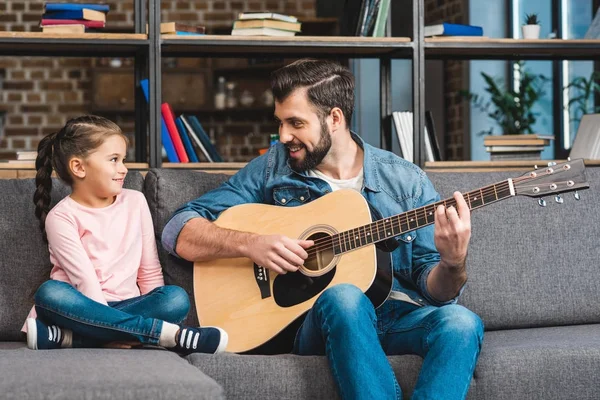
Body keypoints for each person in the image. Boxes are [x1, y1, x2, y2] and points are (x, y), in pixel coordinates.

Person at [161, 59, 483, 399]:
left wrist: (452, 262)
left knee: (462, 323)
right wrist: (250, 243)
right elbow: (177, 231)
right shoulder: (273, 169)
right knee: (344, 296)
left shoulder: (405, 181)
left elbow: (437, 293)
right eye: (281, 122)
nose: (284, 135)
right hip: (315, 322)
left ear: (334, 118)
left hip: (395, 317)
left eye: (295, 123)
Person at [24, 115, 227, 355]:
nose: (124, 169)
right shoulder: (61, 217)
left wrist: (104, 331)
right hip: (81, 306)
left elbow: (149, 271)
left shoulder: (135, 201)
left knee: (175, 298)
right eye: (113, 160)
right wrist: (106, 324)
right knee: (50, 293)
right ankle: (167, 336)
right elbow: (85, 282)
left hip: (128, 307)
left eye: (123, 160)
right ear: (79, 167)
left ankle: (73, 339)